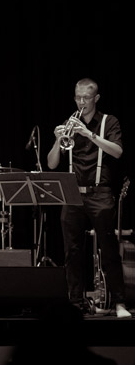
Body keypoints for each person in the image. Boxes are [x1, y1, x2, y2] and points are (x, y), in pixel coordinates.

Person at [46, 78, 131, 318]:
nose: (81, 102)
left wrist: (89, 134)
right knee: (71, 251)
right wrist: (57, 140)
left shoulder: (108, 121)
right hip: (73, 193)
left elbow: (117, 151)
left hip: (100, 192)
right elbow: (52, 164)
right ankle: (76, 302)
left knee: (109, 249)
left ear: (96, 98)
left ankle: (119, 303)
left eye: (86, 98)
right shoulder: (69, 123)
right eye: (78, 97)